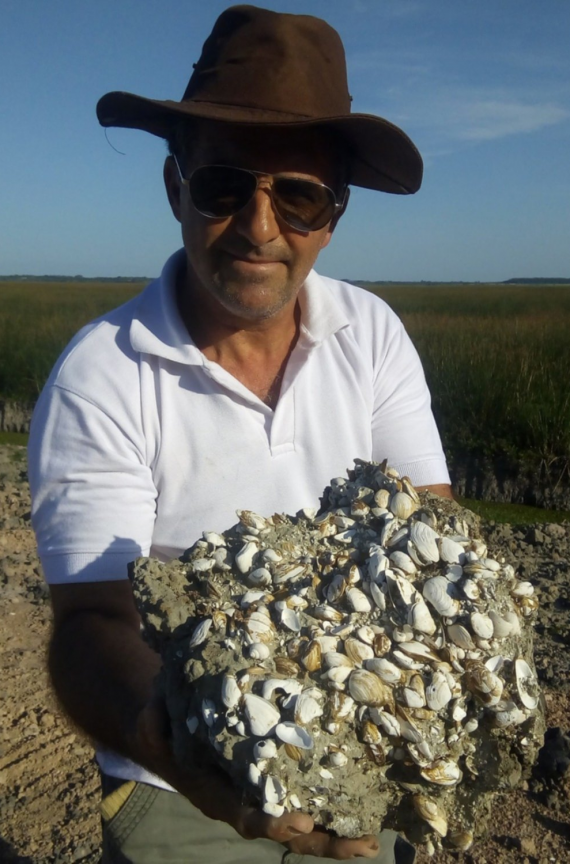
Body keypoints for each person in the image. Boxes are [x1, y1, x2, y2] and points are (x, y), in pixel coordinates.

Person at [28, 6, 452, 864]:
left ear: (335, 214)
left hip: (362, 753)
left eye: (298, 195)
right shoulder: (101, 374)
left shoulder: (371, 334)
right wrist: (177, 737)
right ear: (175, 187)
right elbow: (92, 622)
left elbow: (431, 534)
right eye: (225, 186)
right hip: (181, 781)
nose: (260, 227)